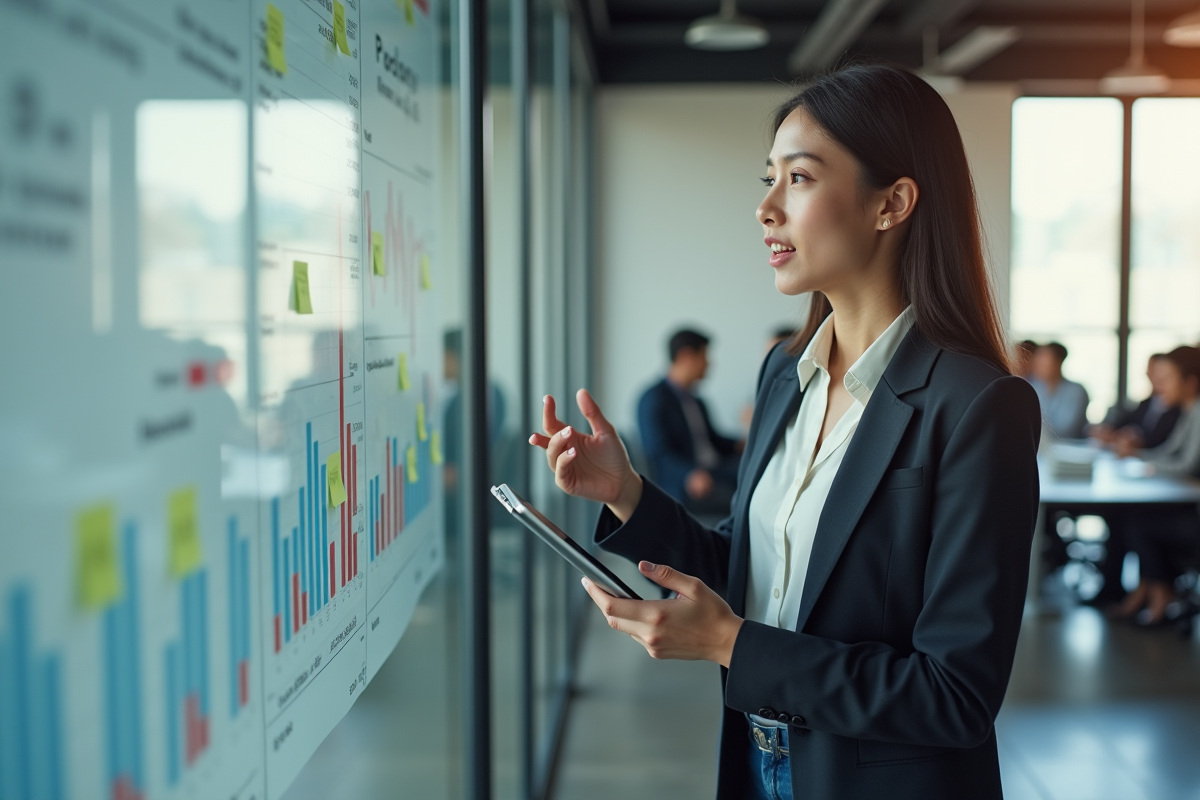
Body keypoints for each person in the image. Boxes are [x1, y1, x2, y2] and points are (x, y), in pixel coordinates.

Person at [530, 63, 1039, 800]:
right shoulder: (784, 372)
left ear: (891, 204)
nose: (766, 208)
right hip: (758, 760)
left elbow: (954, 696)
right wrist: (627, 492)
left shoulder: (978, 405)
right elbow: (756, 569)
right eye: (768, 179)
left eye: (798, 178)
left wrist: (730, 643)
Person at [1109, 346, 1200, 625]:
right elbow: (1167, 453)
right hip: (1190, 505)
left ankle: (1159, 597)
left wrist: (1140, 460)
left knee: (1140, 524)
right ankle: (1149, 591)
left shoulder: (1197, 411)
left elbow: (1186, 465)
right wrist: (1137, 456)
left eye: (1167, 378)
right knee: (1137, 517)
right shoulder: (1189, 410)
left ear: (1190, 383)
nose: (1159, 385)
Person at [637, 329, 743, 514]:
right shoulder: (653, 400)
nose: (709, 363)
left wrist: (741, 444)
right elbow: (659, 453)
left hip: (714, 469)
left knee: (753, 469)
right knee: (745, 495)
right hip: (685, 480)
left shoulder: (696, 400)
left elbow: (713, 440)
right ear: (685, 356)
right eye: (704, 356)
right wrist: (689, 474)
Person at [1090, 353, 1181, 450]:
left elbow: (1166, 447)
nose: (1149, 374)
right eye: (1149, 370)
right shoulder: (1145, 403)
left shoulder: (1179, 409)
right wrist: (1113, 433)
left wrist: (1138, 446)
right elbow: (1129, 423)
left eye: (1156, 371)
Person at [1029, 341, 1090, 439]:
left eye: (1043, 361)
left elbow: (1067, 429)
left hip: (1070, 445)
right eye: (1037, 360)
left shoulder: (1076, 391)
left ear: (1058, 362)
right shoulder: (1033, 387)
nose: (1037, 365)